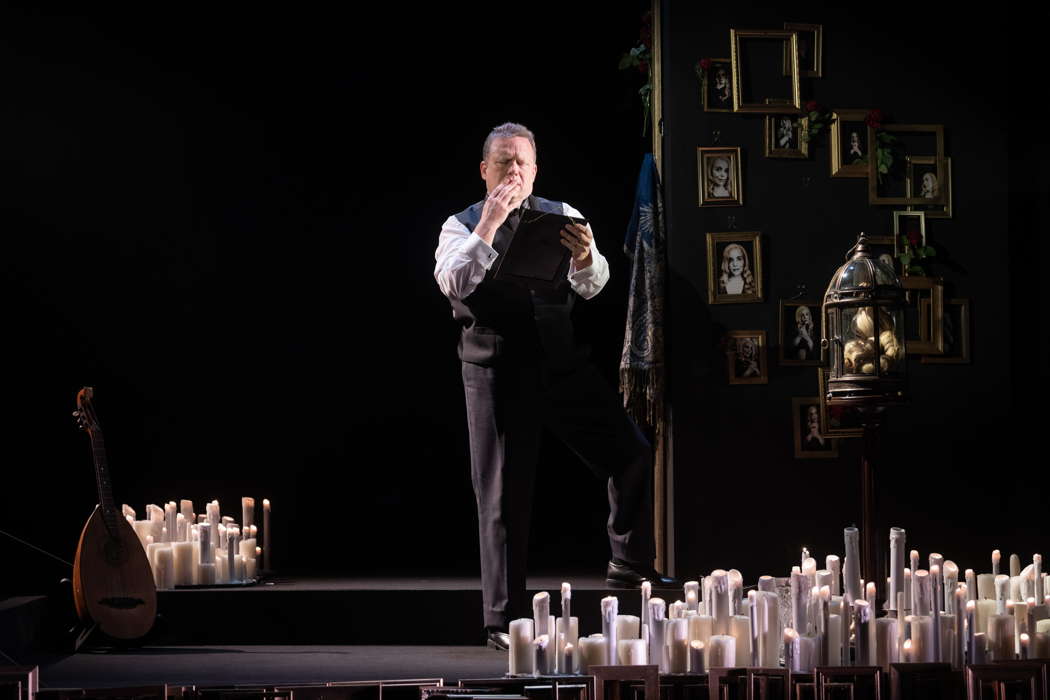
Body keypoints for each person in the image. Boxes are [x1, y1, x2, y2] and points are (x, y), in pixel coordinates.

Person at [434, 123, 675, 650]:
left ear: (535, 169)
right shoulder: (461, 225)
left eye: (521, 162)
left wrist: (587, 257)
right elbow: (454, 282)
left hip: (557, 364)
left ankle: (628, 563)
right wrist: (490, 226)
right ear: (484, 170)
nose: (513, 171)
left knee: (630, 453)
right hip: (495, 369)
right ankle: (502, 619)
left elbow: (594, 286)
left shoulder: (561, 214)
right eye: (502, 162)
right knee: (502, 497)